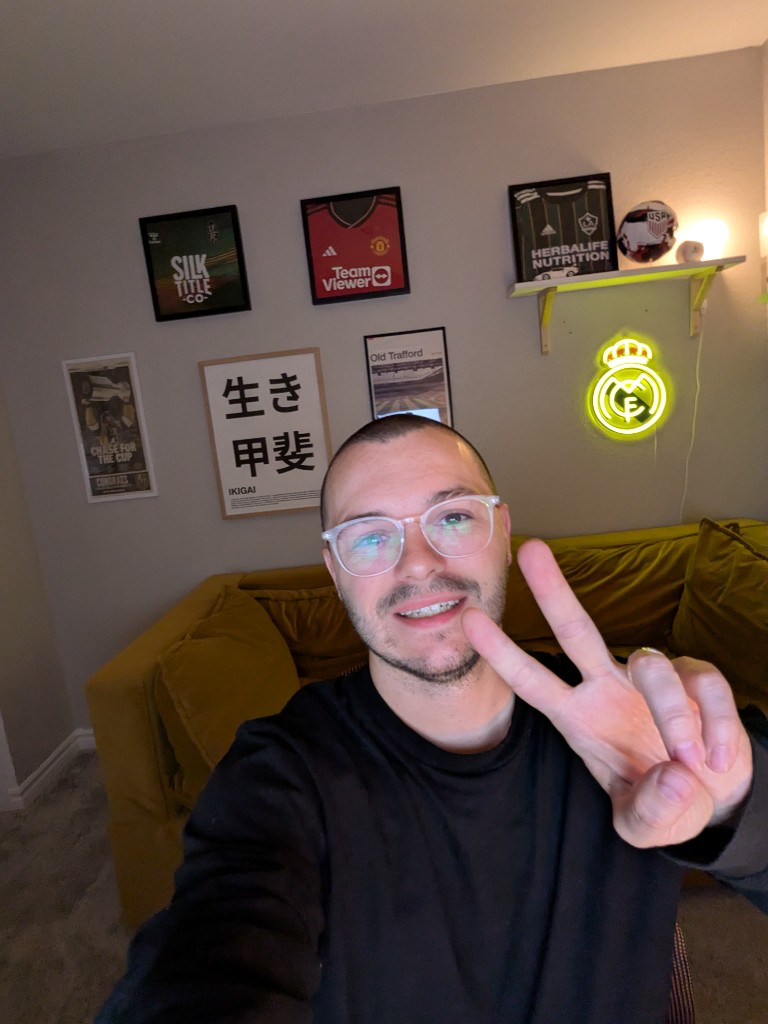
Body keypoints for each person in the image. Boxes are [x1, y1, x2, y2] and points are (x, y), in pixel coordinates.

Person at [96, 414, 768, 1024]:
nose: (418, 563)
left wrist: (732, 804)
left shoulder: (633, 724)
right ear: (334, 571)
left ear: (500, 533)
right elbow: (211, 955)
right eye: (369, 537)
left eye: (451, 518)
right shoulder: (281, 773)